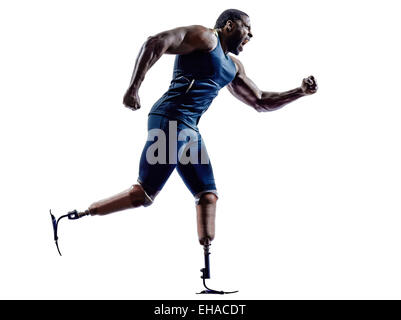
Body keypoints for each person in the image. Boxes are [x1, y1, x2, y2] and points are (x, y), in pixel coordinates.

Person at [69, 9, 318, 248]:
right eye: (248, 28)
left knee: (208, 196)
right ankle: (78, 214)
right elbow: (156, 42)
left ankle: (207, 272)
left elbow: (260, 101)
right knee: (143, 195)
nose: (251, 36)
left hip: (189, 131)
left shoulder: (233, 67)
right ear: (229, 25)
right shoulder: (206, 37)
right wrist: (133, 87)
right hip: (170, 120)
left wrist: (300, 92)